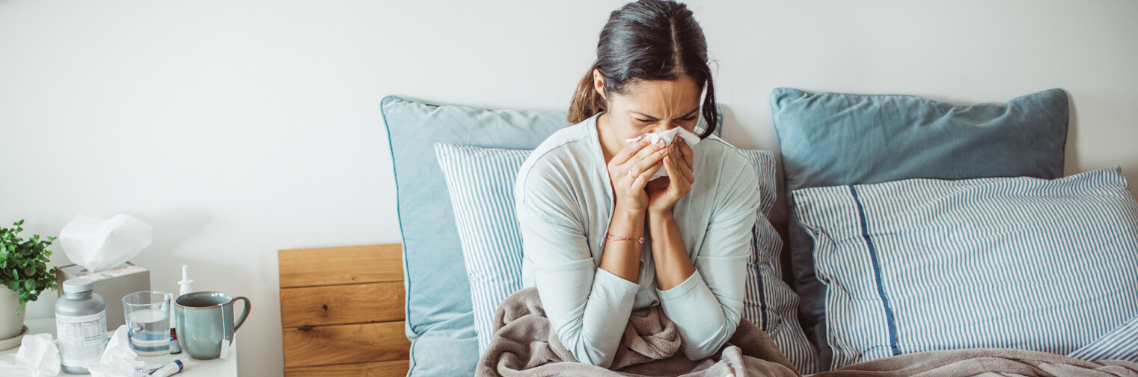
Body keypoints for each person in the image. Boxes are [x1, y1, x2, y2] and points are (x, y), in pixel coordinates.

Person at [514, 0, 761, 369]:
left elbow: (706, 341)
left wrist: (661, 217)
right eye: (644, 119)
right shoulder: (552, 175)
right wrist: (629, 211)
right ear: (601, 85)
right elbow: (589, 352)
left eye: (686, 117)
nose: (664, 139)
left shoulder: (731, 173)